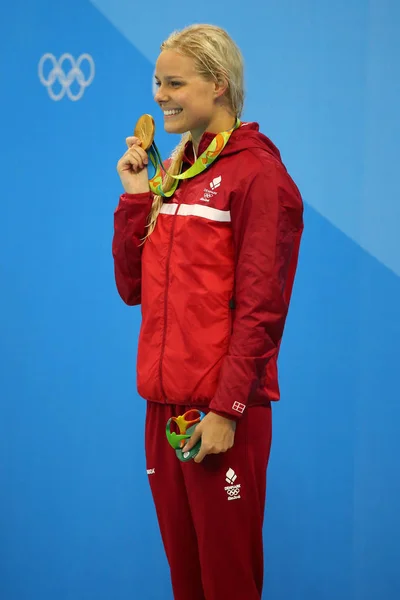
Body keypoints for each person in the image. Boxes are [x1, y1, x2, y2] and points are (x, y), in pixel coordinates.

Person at [112, 23, 303, 600]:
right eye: (156, 81)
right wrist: (137, 195)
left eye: (174, 83)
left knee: (227, 584)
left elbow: (261, 310)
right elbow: (131, 287)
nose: (159, 96)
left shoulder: (258, 177)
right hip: (164, 406)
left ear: (218, 85)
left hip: (220, 411)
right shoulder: (175, 173)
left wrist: (227, 409)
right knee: (187, 583)